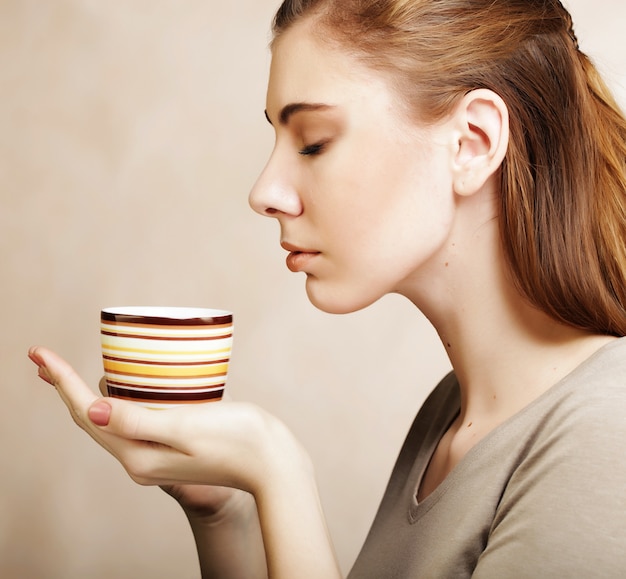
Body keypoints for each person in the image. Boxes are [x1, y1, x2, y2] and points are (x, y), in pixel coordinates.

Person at [29, 0, 626, 577]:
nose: (264, 191)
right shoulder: (448, 416)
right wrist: (226, 510)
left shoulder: (606, 436)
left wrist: (276, 470)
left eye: (313, 141)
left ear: (471, 142)